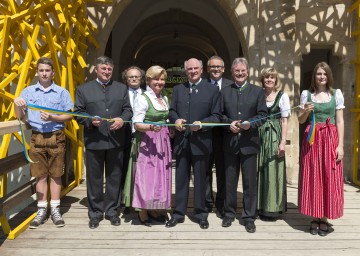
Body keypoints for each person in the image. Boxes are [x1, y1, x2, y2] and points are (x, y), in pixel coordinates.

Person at [14, 57, 73, 229]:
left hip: (56, 136)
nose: (44, 73)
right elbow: (19, 116)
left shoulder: (62, 92)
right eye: (41, 70)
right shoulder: (28, 91)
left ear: (53, 73)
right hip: (37, 136)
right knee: (40, 174)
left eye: (47, 70)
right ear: (37, 72)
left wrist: (53, 117)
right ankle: (41, 210)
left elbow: (69, 115)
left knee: (55, 174)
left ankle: (55, 209)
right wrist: (17, 103)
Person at [74, 56, 133, 229]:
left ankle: (112, 211)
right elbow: (78, 112)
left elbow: (128, 110)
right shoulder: (84, 89)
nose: (106, 72)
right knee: (95, 179)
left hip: (116, 140)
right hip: (94, 140)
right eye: (103, 69)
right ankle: (95, 213)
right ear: (96, 70)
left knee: (114, 178)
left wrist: (122, 119)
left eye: (109, 69)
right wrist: (89, 121)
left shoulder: (122, 89)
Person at [167, 58, 221, 229]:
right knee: (181, 178)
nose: (192, 71)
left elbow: (217, 116)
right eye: (189, 69)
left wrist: (202, 124)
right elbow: (172, 111)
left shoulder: (212, 90)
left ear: (202, 69)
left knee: (200, 180)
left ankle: (201, 214)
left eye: (195, 68)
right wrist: (175, 120)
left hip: (202, 142)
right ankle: (178, 213)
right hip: (182, 141)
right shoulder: (177, 89)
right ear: (185, 71)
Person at [221, 57, 268, 233]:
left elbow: (263, 115)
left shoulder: (257, 92)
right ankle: (229, 213)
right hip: (231, 143)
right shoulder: (225, 91)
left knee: (250, 183)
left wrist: (251, 123)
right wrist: (228, 124)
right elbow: (220, 115)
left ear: (248, 72)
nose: (240, 74)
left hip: (249, 143)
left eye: (243, 71)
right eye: (237, 71)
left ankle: (249, 216)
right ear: (232, 73)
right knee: (229, 181)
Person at [297, 62, 344, 237]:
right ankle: (315, 216)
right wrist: (305, 112)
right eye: (318, 74)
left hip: (331, 138)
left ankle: (324, 218)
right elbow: (301, 120)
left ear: (328, 76)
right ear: (314, 76)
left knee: (328, 176)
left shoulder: (336, 94)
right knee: (314, 175)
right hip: (313, 139)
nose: (321, 77)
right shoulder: (307, 95)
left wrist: (340, 145)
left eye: (324, 74)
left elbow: (339, 121)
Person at [128, 65, 172, 226]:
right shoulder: (143, 98)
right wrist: (151, 127)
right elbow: (137, 123)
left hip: (163, 141)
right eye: (156, 79)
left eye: (162, 79)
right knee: (146, 177)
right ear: (148, 80)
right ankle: (143, 212)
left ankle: (154, 208)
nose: (159, 82)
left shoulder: (164, 98)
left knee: (159, 176)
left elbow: (166, 119)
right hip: (148, 141)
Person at [257, 67, 290, 220]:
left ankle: (273, 207)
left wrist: (283, 142)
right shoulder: (258, 94)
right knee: (260, 168)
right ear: (262, 79)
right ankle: (259, 206)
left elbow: (284, 120)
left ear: (276, 80)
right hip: (259, 135)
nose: (269, 79)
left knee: (273, 168)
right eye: (266, 77)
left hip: (275, 134)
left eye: (272, 77)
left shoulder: (282, 96)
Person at [205, 55, 232, 218]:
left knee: (223, 170)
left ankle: (221, 204)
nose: (215, 69)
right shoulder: (202, 85)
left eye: (218, 67)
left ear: (223, 69)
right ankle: (207, 202)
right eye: (212, 67)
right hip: (207, 134)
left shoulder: (230, 85)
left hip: (225, 135)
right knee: (206, 170)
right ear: (208, 69)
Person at [120, 66, 145, 214]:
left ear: (141, 79)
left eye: (136, 77)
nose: (134, 79)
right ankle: (124, 201)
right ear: (126, 79)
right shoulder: (121, 94)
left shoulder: (147, 94)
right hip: (124, 136)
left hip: (142, 137)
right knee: (124, 169)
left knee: (140, 170)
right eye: (131, 77)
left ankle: (139, 200)